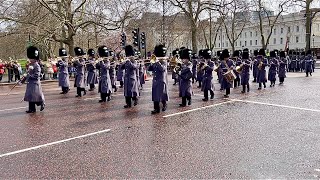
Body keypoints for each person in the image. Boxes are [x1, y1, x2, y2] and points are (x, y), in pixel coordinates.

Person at [22, 46, 45, 113]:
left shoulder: (37, 66)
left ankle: (41, 102)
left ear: (34, 58)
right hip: (30, 83)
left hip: (35, 83)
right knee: (30, 96)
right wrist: (23, 79)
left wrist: (28, 75)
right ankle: (31, 109)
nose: (29, 59)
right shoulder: (30, 65)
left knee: (34, 96)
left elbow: (37, 76)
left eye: (31, 58)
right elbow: (28, 73)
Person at [148, 44, 169, 114]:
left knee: (162, 94)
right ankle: (156, 109)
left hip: (161, 80)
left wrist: (157, 62)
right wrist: (150, 63)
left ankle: (164, 104)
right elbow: (150, 69)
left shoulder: (164, 61)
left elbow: (162, 69)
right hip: (155, 80)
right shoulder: (155, 60)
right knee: (155, 95)